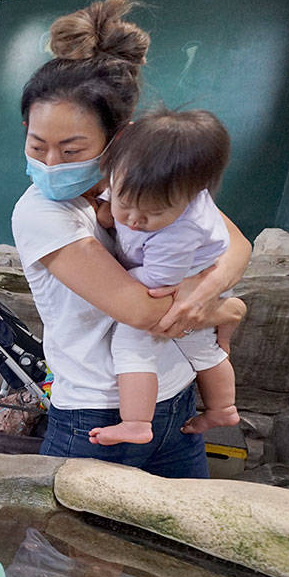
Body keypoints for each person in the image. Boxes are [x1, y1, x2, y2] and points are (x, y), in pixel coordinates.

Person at [10, 0, 250, 478]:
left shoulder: (149, 184)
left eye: (71, 148)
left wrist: (200, 294)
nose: (50, 164)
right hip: (96, 414)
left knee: (173, 542)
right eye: (37, 145)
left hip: (178, 401)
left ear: (120, 138)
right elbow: (140, 310)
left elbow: (237, 244)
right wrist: (224, 307)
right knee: (68, 554)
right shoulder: (40, 211)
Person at [89, 109, 241, 446]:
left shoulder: (184, 229)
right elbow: (116, 194)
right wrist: (107, 207)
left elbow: (157, 280)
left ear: (191, 195)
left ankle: (136, 422)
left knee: (132, 344)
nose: (133, 219)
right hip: (192, 280)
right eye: (126, 203)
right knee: (202, 345)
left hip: (178, 278)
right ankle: (223, 407)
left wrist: (114, 274)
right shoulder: (131, 172)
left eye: (152, 214)